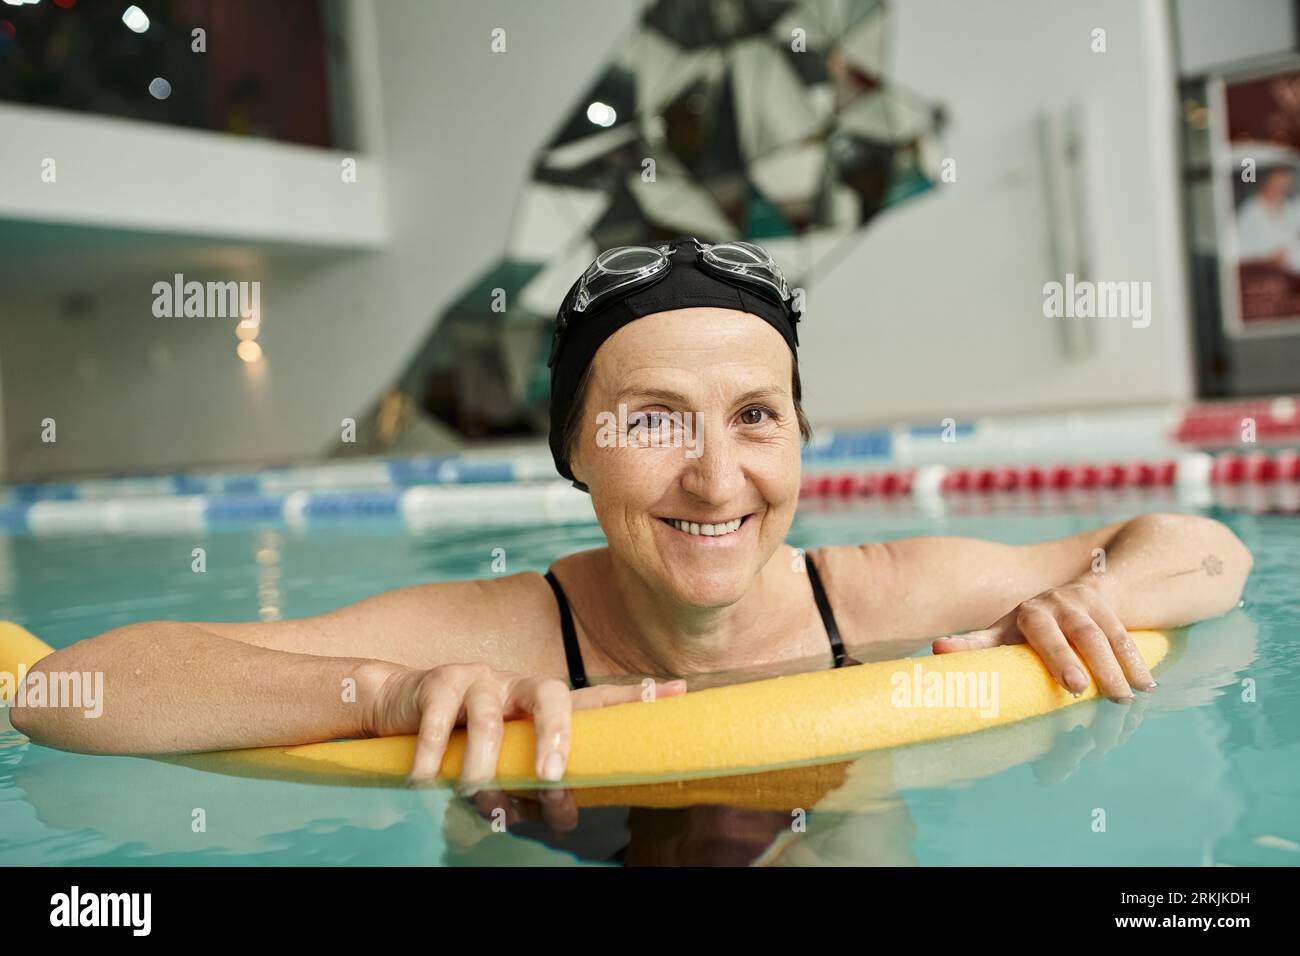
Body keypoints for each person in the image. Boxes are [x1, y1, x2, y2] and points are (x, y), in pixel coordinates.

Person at [11, 237, 1253, 789]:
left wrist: (1096, 593)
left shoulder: (873, 595)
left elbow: (1208, 547)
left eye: (755, 417)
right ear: (574, 452)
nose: (716, 480)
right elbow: (71, 691)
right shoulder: (498, 632)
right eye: (655, 420)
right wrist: (387, 695)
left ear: (801, 440)